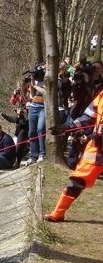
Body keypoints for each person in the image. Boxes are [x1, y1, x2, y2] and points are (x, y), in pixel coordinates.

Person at [44, 88, 103, 222]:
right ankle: (58, 213)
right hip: (97, 148)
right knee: (77, 180)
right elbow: (88, 117)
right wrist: (67, 126)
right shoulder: (101, 96)